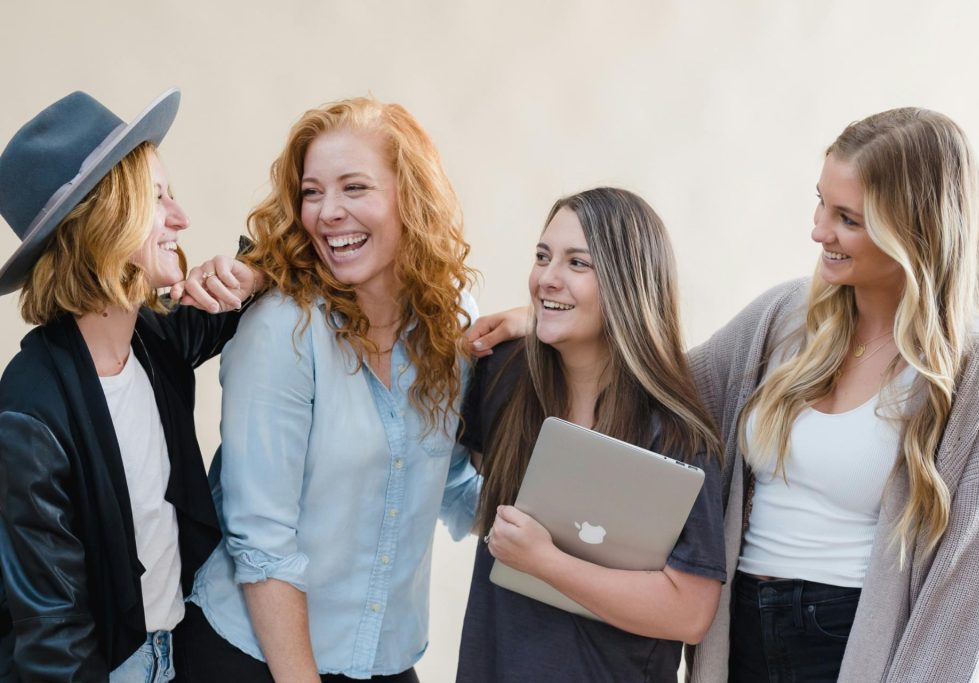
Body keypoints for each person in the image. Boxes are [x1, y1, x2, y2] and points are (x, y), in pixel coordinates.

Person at [467, 109, 979, 682]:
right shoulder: (783, 320)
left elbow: (964, 586)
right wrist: (549, 321)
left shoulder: (977, 371)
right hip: (740, 634)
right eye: (820, 203)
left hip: (852, 645)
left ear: (914, 230)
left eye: (847, 218)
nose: (818, 230)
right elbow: (657, 380)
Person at [175, 97, 480, 682]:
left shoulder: (451, 323)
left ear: (409, 197)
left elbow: (457, 481)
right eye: (312, 192)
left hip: (383, 659)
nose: (328, 212)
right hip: (257, 658)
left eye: (354, 188)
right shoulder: (281, 330)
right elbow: (262, 542)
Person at [0, 89, 261, 682]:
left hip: (178, 653)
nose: (181, 217)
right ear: (103, 222)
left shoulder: (153, 339)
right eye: (157, 198)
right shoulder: (30, 414)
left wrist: (249, 272)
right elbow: (52, 638)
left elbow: (260, 274)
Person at [456, 187, 726, 683]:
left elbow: (690, 613)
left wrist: (544, 562)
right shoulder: (502, 376)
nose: (546, 279)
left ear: (627, 283)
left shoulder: (676, 434)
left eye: (577, 263)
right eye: (543, 257)